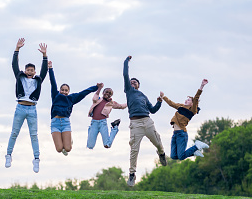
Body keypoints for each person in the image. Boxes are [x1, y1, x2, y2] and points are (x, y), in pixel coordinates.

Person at [5, 38, 48, 173]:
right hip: (20, 108)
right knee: (14, 133)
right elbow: (14, 65)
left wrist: (44, 56)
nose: (30, 72)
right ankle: (8, 155)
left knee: (34, 135)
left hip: (32, 109)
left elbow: (45, 71)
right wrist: (17, 49)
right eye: (28, 70)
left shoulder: (38, 80)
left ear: (35, 72)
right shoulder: (20, 77)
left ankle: (36, 159)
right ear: (25, 70)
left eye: (32, 70)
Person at [123, 55, 167, 187]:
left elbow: (153, 110)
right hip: (135, 124)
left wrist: (159, 102)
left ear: (139, 85)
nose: (132, 82)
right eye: (131, 81)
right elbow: (125, 74)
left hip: (147, 121)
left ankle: (162, 153)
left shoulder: (143, 96)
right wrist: (126, 61)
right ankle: (132, 174)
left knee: (158, 142)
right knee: (134, 150)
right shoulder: (129, 91)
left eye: (135, 82)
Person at [48, 61, 98, 155]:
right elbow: (52, 82)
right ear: (59, 90)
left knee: (67, 149)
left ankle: (69, 140)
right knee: (59, 149)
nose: (64, 92)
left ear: (69, 91)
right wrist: (50, 68)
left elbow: (83, 93)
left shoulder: (71, 98)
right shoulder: (55, 95)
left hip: (66, 123)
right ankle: (63, 139)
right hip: (55, 123)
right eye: (62, 90)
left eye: (66, 90)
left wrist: (95, 87)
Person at [161, 79, 209, 160]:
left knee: (181, 157)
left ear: (192, 103)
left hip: (181, 134)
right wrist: (163, 97)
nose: (186, 100)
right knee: (173, 156)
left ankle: (197, 146)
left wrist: (201, 86)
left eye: (189, 100)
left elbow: (196, 98)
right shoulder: (181, 106)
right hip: (175, 134)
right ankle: (193, 152)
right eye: (186, 99)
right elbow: (171, 103)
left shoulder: (192, 110)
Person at [87, 85, 127, 149]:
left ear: (111, 95)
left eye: (110, 93)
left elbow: (121, 106)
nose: (108, 93)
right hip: (94, 123)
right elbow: (94, 98)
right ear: (103, 93)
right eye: (106, 92)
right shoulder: (98, 99)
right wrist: (99, 88)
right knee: (90, 146)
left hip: (103, 123)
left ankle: (115, 128)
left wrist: (130, 102)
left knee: (107, 145)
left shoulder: (111, 103)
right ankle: (90, 129)